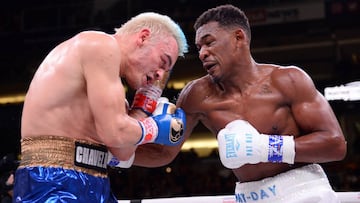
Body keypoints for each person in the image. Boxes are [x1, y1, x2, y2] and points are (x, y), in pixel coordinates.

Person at [131, 5, 347, 203]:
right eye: (199, 47)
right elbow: (163, 153)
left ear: (238, 37)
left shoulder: (288, 80)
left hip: (303, 192)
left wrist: (266, 148)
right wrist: (115, 155)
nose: (202, 53)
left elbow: (335, 145)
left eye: (209, 42)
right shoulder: (197, 94)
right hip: (248, 197)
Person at [13, 12, 188, 203]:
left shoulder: (117, 97)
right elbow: (115, 133)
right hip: (52, 179)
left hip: (95, 182)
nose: (160, 75)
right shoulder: (99, 45)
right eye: (163, 62)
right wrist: (155, 128)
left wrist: (143, 105)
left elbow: (123, 150)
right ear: (143, 37)